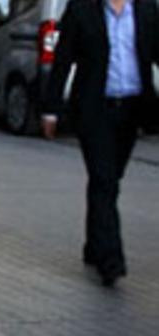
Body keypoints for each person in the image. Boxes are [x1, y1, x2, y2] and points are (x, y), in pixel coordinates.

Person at [41, 0, 159, 287]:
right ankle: (111, 261)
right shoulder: (82, 9)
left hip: (132, 107)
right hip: (94, 110)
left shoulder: (146, 9)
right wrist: (51, 108)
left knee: (109, 179)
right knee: (104, 179)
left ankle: (94, 244)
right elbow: (63, 57)